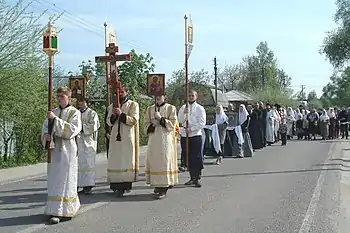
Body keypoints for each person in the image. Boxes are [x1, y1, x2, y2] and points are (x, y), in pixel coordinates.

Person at [41, 87, 81, 224]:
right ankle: (53, 209)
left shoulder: (75, 112)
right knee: (54, 180)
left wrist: (55, 120)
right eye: (57, 96)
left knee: (66, 179)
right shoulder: (54, 112)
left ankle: (66, 210)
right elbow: (45, 127)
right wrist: (45, 135)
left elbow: (72, 130)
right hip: (54, 149)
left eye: (62, 96)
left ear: (68, 97)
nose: (59, 98)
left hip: (67, 150)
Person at [106, 87, 140, 197]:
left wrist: (121, 114)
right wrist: (114, 115)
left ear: (126, 92)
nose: (119, 94)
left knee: (126, 160)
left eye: (122, 92)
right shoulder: (111, 106)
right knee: (115, 160)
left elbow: (134, 120)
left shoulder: (133, 104)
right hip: (116, 136)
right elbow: (108, 122)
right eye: (117, 92)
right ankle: (115, 186)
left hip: (127, 136)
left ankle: (126, 186)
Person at [144, 95, 178, 199]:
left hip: (165, 139)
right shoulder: (150, 109)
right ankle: (157, 185)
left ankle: (164, 188)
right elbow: (145, 125)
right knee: (154, 161)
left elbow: (173, 125)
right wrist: (152, 124)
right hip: (154, 139)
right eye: (156, 96)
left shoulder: (171, 108)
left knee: (164, 161)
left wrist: (161, 119)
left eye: (160, 96)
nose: (158, 98)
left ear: (165, 97)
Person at [178, 90, 206, 187]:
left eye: (192, 95)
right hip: (185, 135)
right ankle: (191, 177)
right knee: (188, 157)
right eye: (189, 96)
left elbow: (202, 123)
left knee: (196, 157)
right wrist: (184, 114)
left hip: (195, 135)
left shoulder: (200, 108)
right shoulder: (183, 107)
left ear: (196, 96)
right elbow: (179, 120)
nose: (190, 97)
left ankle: (197, 177)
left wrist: (191, 129)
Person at [76, 97, 100, 195]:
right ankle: (77, 184)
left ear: (86, 103)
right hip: (78, 140)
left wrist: (82, 127)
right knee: (77, 163)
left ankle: (88, 185)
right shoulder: (76, 112)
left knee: (88, 162)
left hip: (88, 141)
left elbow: (94, 125)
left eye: (82, 102)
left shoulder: (92, 113)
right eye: (79, 102)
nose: (81, 104)